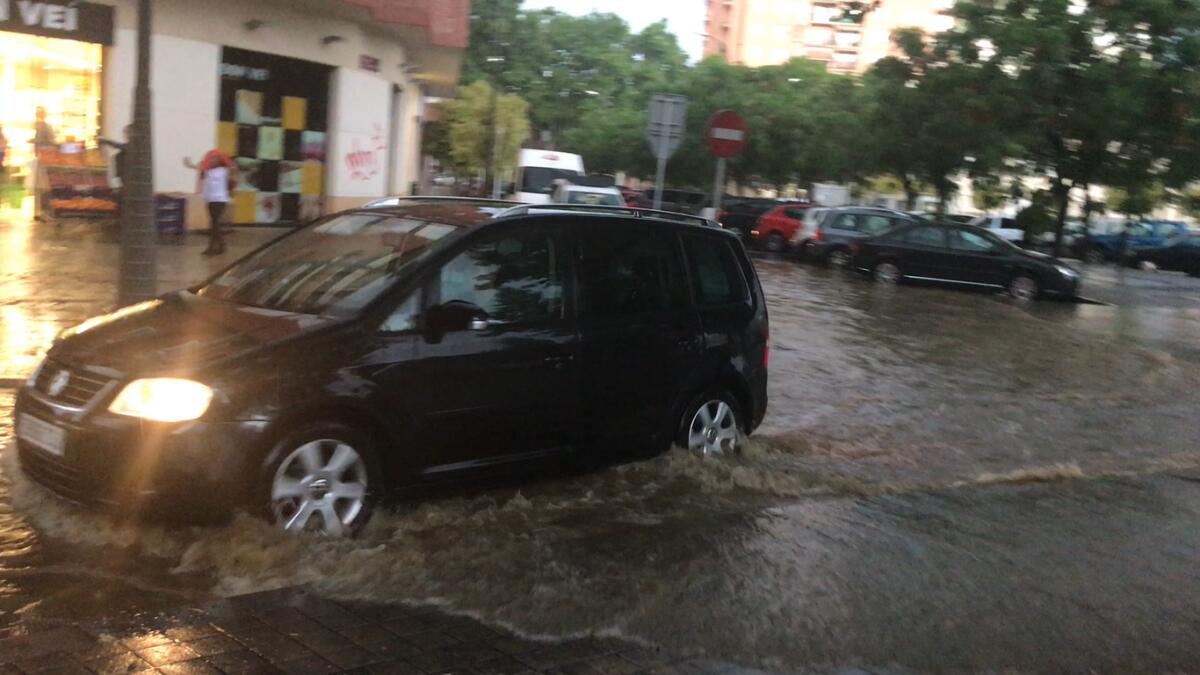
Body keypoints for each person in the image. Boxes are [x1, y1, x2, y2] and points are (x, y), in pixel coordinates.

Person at [185, 150, 236, 256]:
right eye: (211, 158)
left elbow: (232, 172)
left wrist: (232, 171)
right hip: (210, 199)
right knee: (213, 223)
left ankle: (212, 247)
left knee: (214, 223)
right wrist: (189, 165)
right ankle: (221, 246)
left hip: (220, 199)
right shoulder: (207, 170)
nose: (212, 160)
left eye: (215, 158)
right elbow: (198, 168)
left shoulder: (223, 170)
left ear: (220, 160)